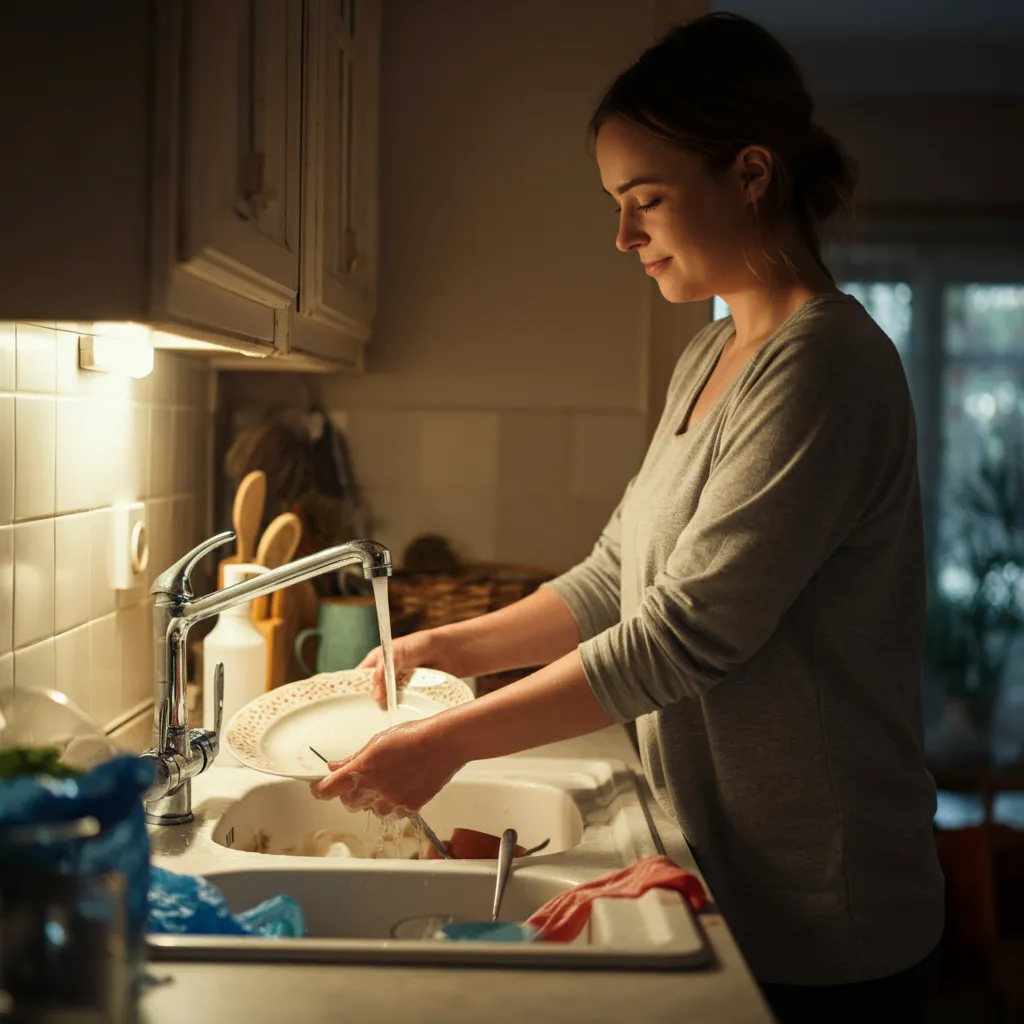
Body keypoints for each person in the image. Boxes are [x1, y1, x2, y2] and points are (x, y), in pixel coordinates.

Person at [311, 13, 945, 1022]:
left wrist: (450, 741)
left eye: (645, 199)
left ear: (749, 173)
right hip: (727, 866)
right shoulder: (711, 354)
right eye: (616, 203)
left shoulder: (825, 365)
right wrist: (450, 646)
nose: (621, 235)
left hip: (825, 907)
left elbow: (691, 632)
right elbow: (617, 576)